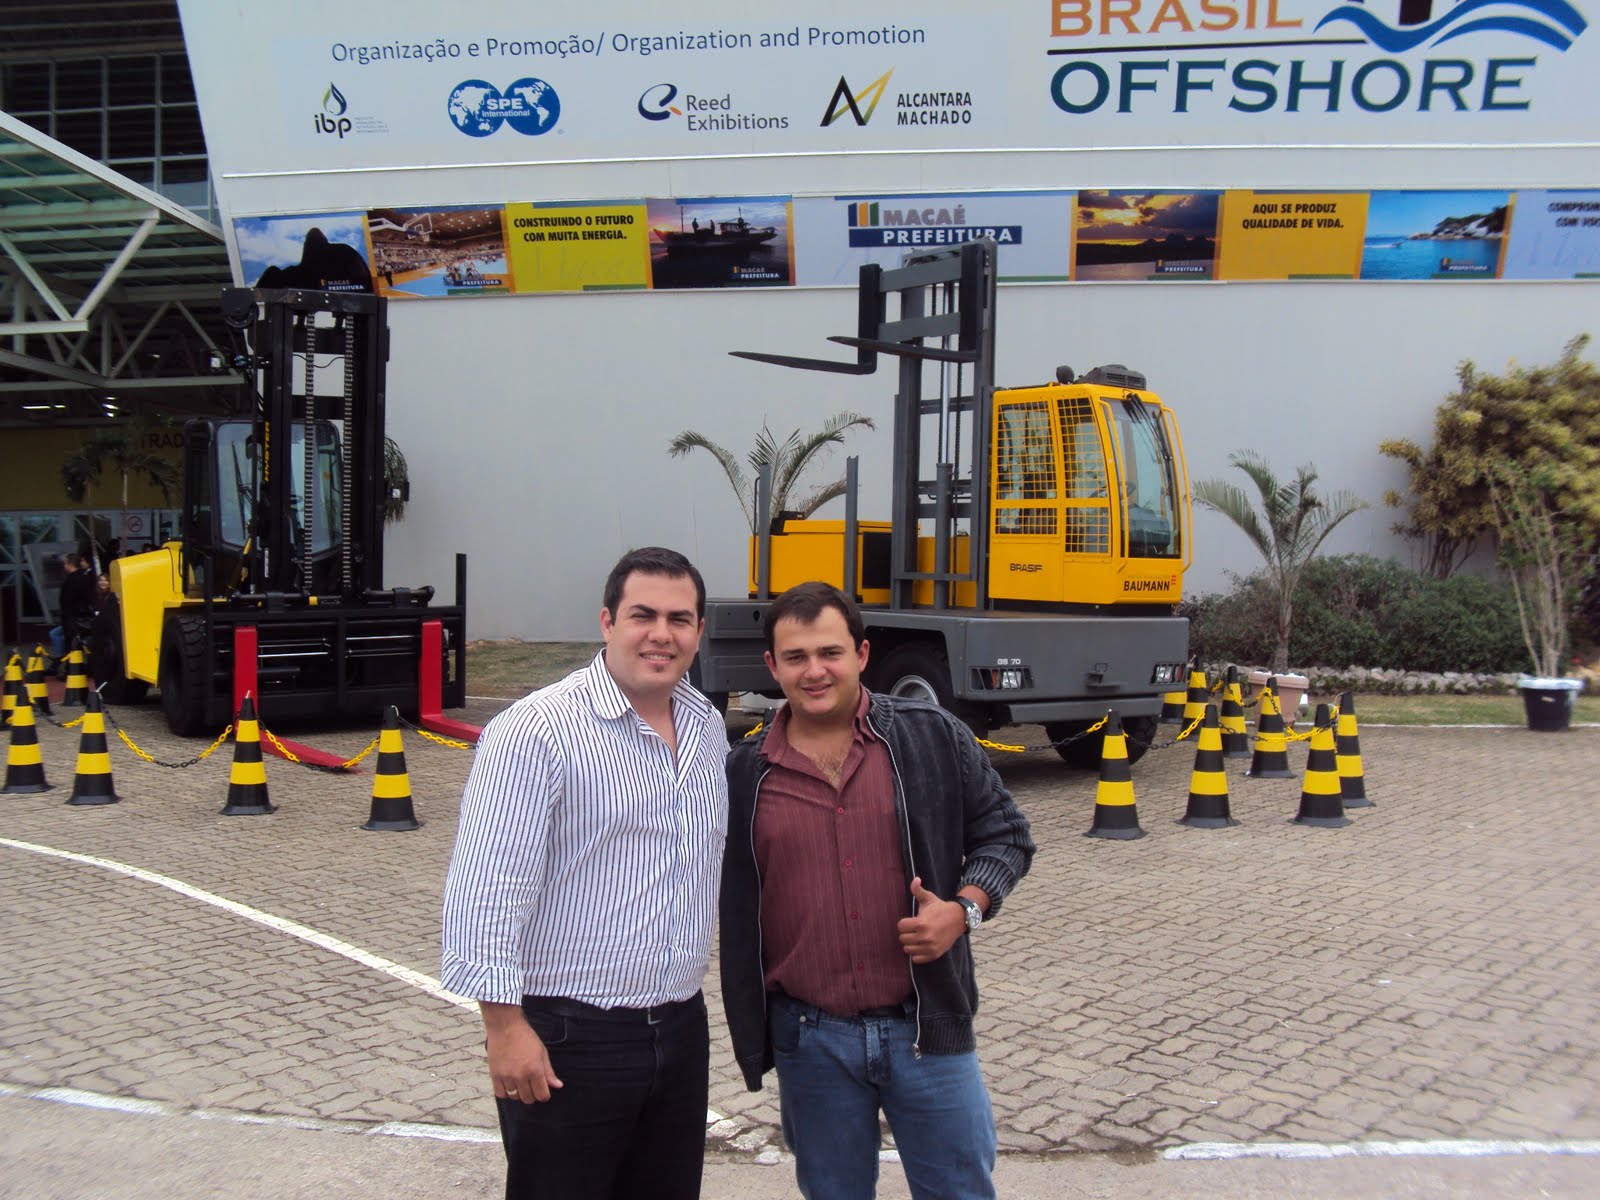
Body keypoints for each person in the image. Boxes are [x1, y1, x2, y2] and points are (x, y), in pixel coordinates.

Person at [720, 581, 1035, 1200]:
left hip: (928, 1031)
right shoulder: (743, 774)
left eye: (830, 653)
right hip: (811, 1041)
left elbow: (1008, 836)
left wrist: (963, 911)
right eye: (796, 657)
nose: (815, 671)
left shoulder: (931, 737)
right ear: (772, 666)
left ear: (862, 654)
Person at [441, 546, 729, 1200]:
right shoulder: (536, 731)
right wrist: (504, 1030)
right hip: (570, 1039)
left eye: (679, 619)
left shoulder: (708, 727)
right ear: (607, 621)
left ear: (699, 631)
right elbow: (487, 889)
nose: (661, 634)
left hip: (681, 1028)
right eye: (643, 615)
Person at [50, 553, 97, 665]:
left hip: (73, 619)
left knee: (71, 643)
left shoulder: (72, 580)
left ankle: (64, 663)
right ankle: (60, 661)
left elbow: (68, 601)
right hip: (79, 617)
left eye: (65, 563)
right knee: (58, 635)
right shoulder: (84, 577)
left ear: (70, 564)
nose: (64, 566)